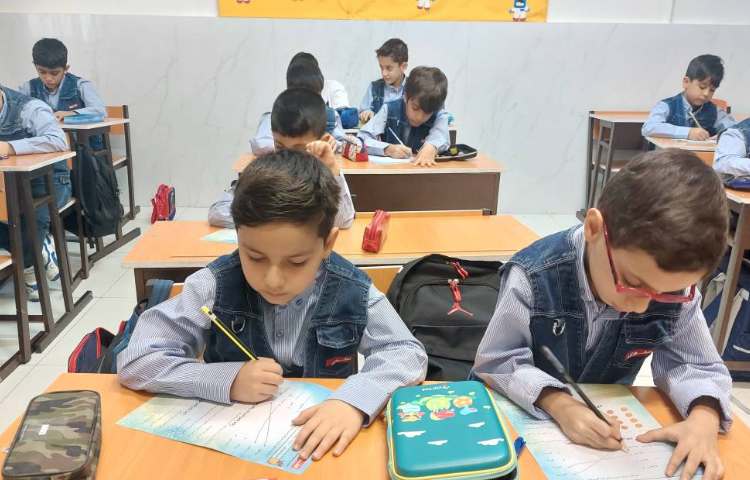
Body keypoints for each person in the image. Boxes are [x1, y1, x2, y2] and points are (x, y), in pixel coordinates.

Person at [119, 149, 427, 462]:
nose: (273, 280)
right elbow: (137, 360)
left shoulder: (352, 289)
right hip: (226, 451)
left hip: (322, 452)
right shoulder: (214, 285)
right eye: (255, 257)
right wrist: (226, 380)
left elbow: (406, 353)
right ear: (238, 236)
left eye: (296, 262)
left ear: (328, 244)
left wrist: (353, 402)